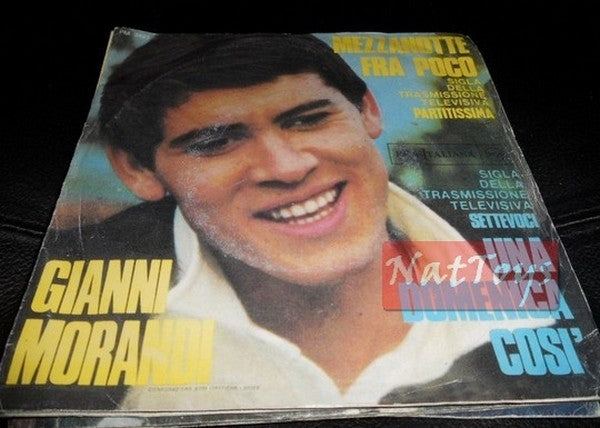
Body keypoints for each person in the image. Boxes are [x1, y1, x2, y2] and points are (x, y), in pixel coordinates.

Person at [52, 33, 558, 410]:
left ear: (368, 111)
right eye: (216, 142)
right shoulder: (70, 301)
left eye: (309, 119)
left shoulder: (535, 262)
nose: (287, 167)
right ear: (136, 169)